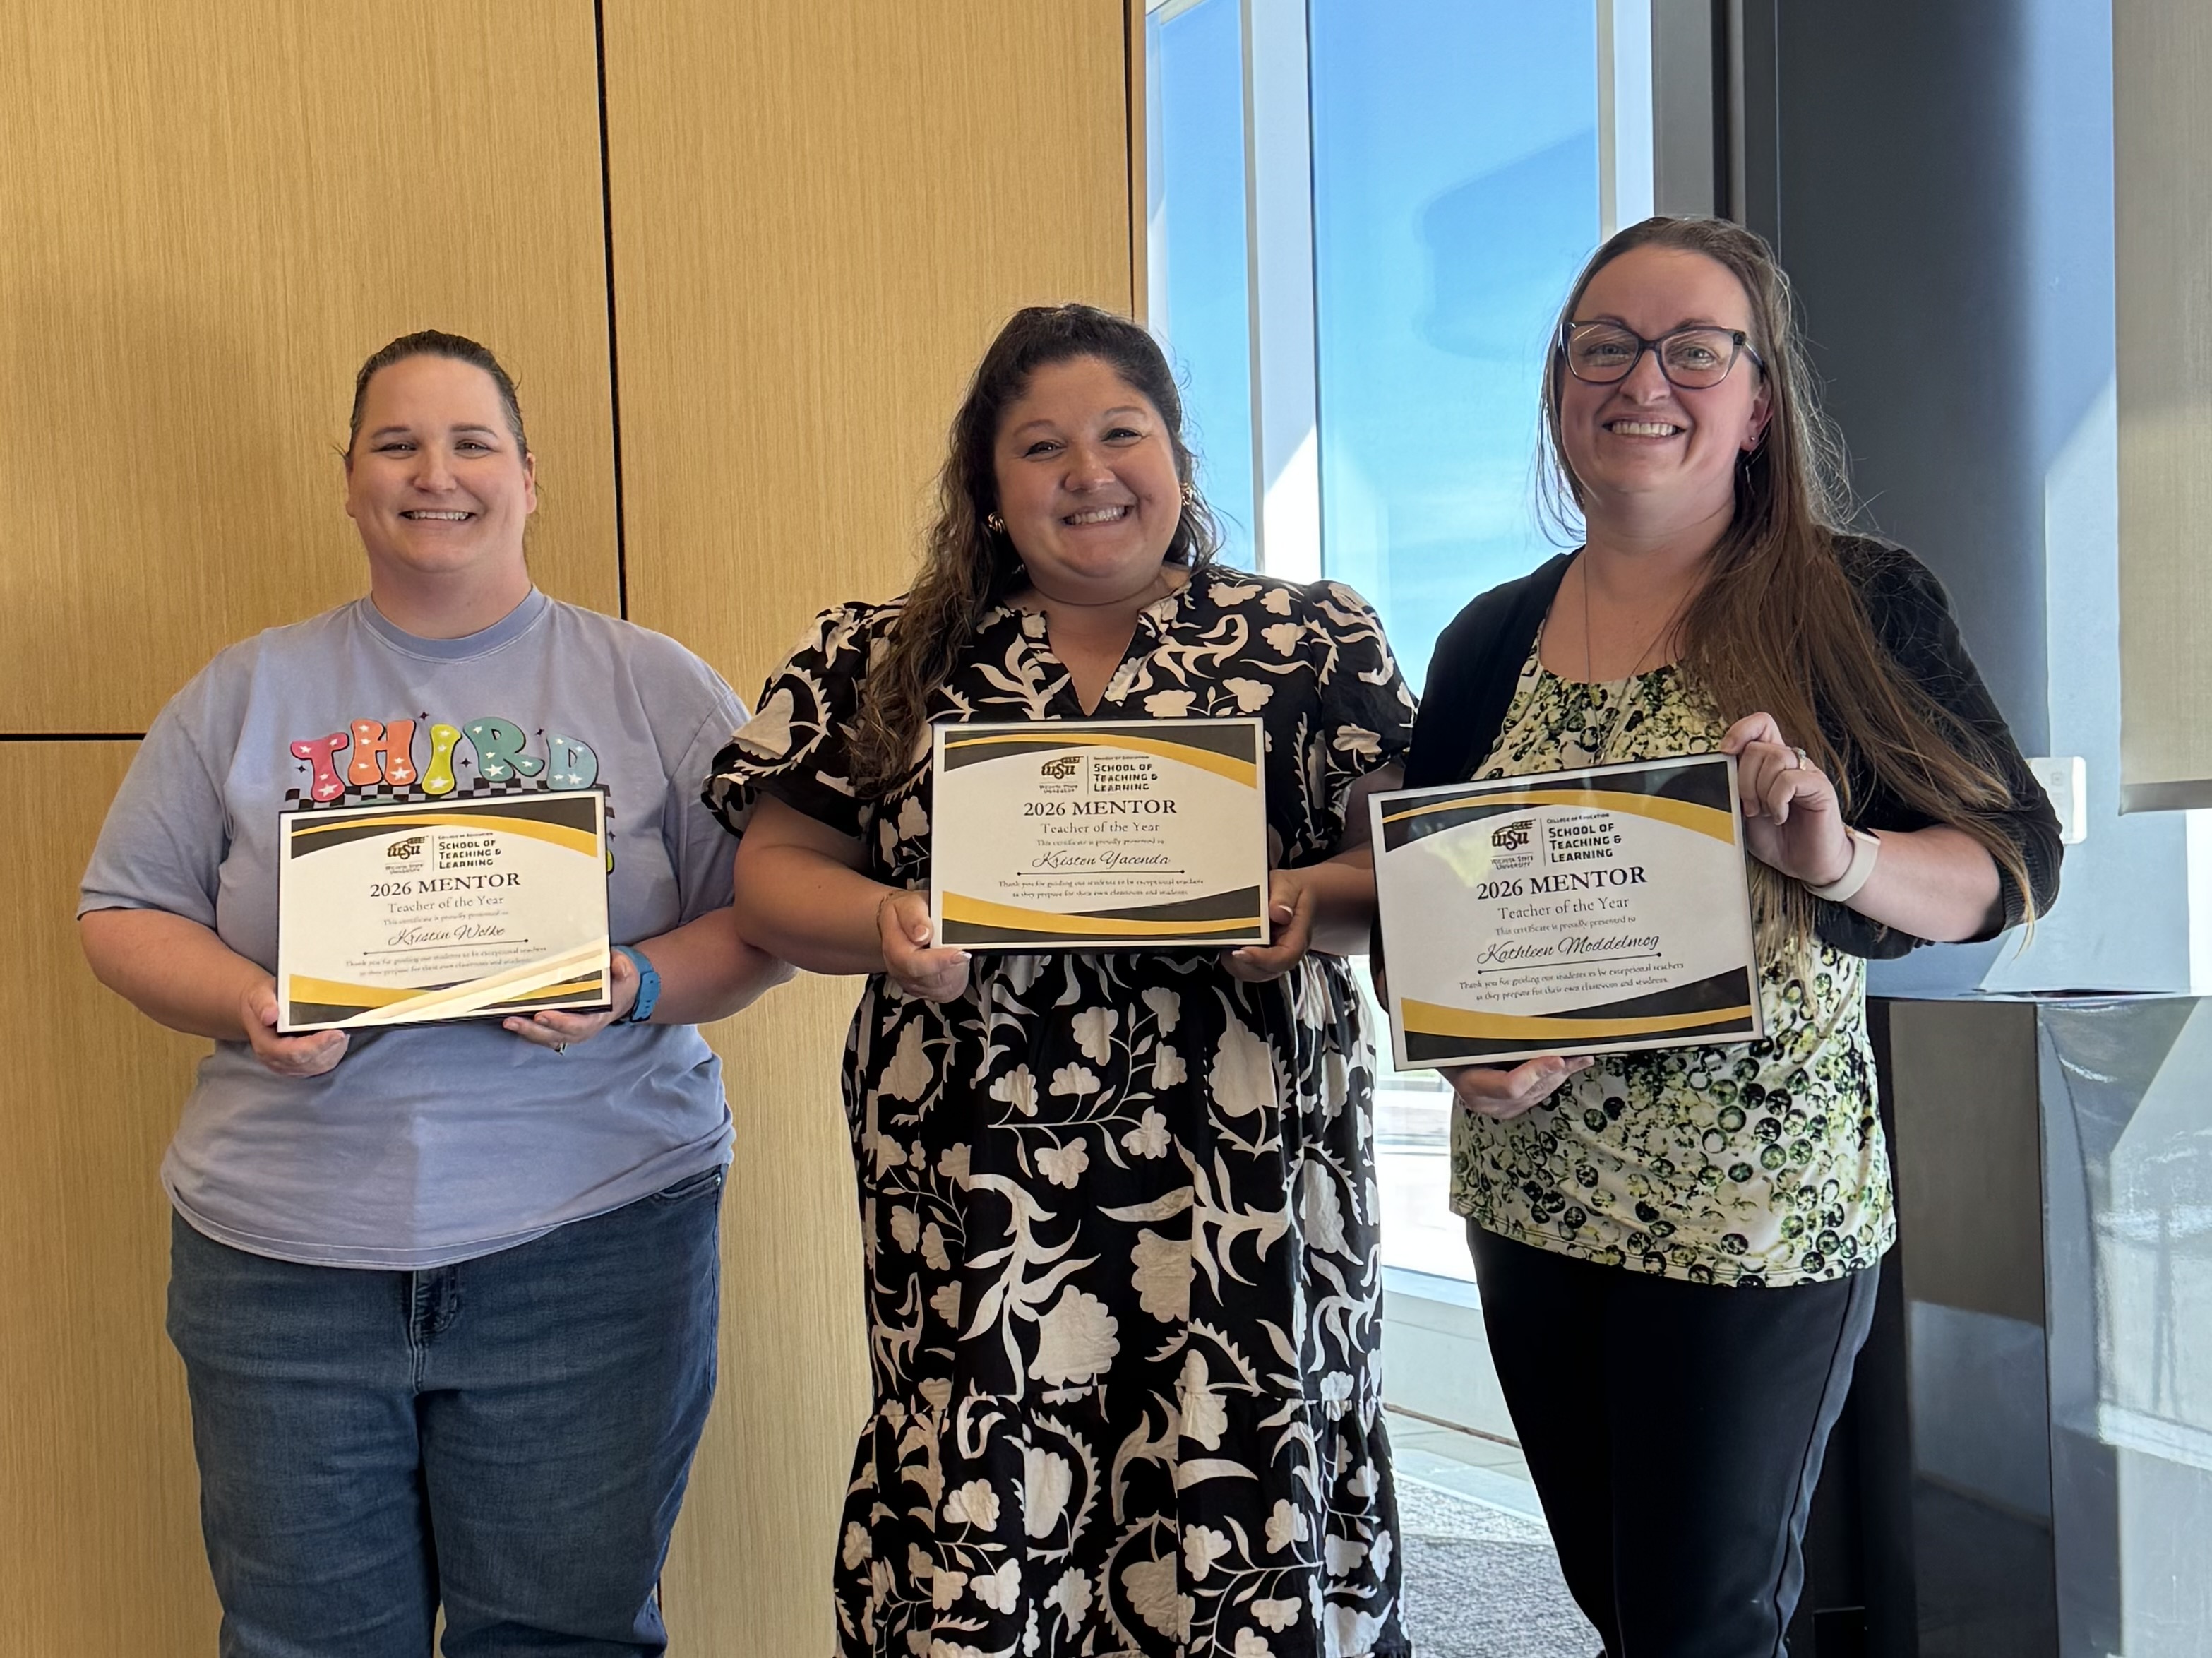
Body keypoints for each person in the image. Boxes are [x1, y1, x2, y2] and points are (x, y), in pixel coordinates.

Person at [710, 304, 1416, 1657]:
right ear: (987, 487)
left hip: (1242, 1171)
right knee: (984, 1463)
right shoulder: (878, 653)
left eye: (1119, 432)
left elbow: (1403, 876)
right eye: (1040, 447)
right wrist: (884, 923)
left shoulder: (1313, 642)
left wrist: (1305, 902)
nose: (1086, 470)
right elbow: (772, 880)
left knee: (1238, 1457)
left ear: (1175, 454)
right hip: (974, 1175)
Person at [1401, 217, 2063, 1657]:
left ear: (1755, 400)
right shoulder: (1484, 639)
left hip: (1751, 1218)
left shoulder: (1853, 603)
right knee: (1617, 1603)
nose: (1644, 377)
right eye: (1603, 345)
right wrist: (1465, 1044)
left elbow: (2009, 865)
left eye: (1694, 347)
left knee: (1706, 1624)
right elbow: (1436, 893)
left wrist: (1839, 855)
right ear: (1558, 384)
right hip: (1531, 1202)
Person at [78, 330, 788, 1657]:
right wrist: (244, 999)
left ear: (529, 476)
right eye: (396, 443)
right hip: (280, 1260)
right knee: (303, 1644)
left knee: (563, 1638)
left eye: (471, 442)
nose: (435, 473)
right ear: (347, 480)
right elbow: (120, 913)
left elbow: (764, 920)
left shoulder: (655, 686)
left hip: (595, 1239)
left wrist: (633, 984)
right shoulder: (242, 691)